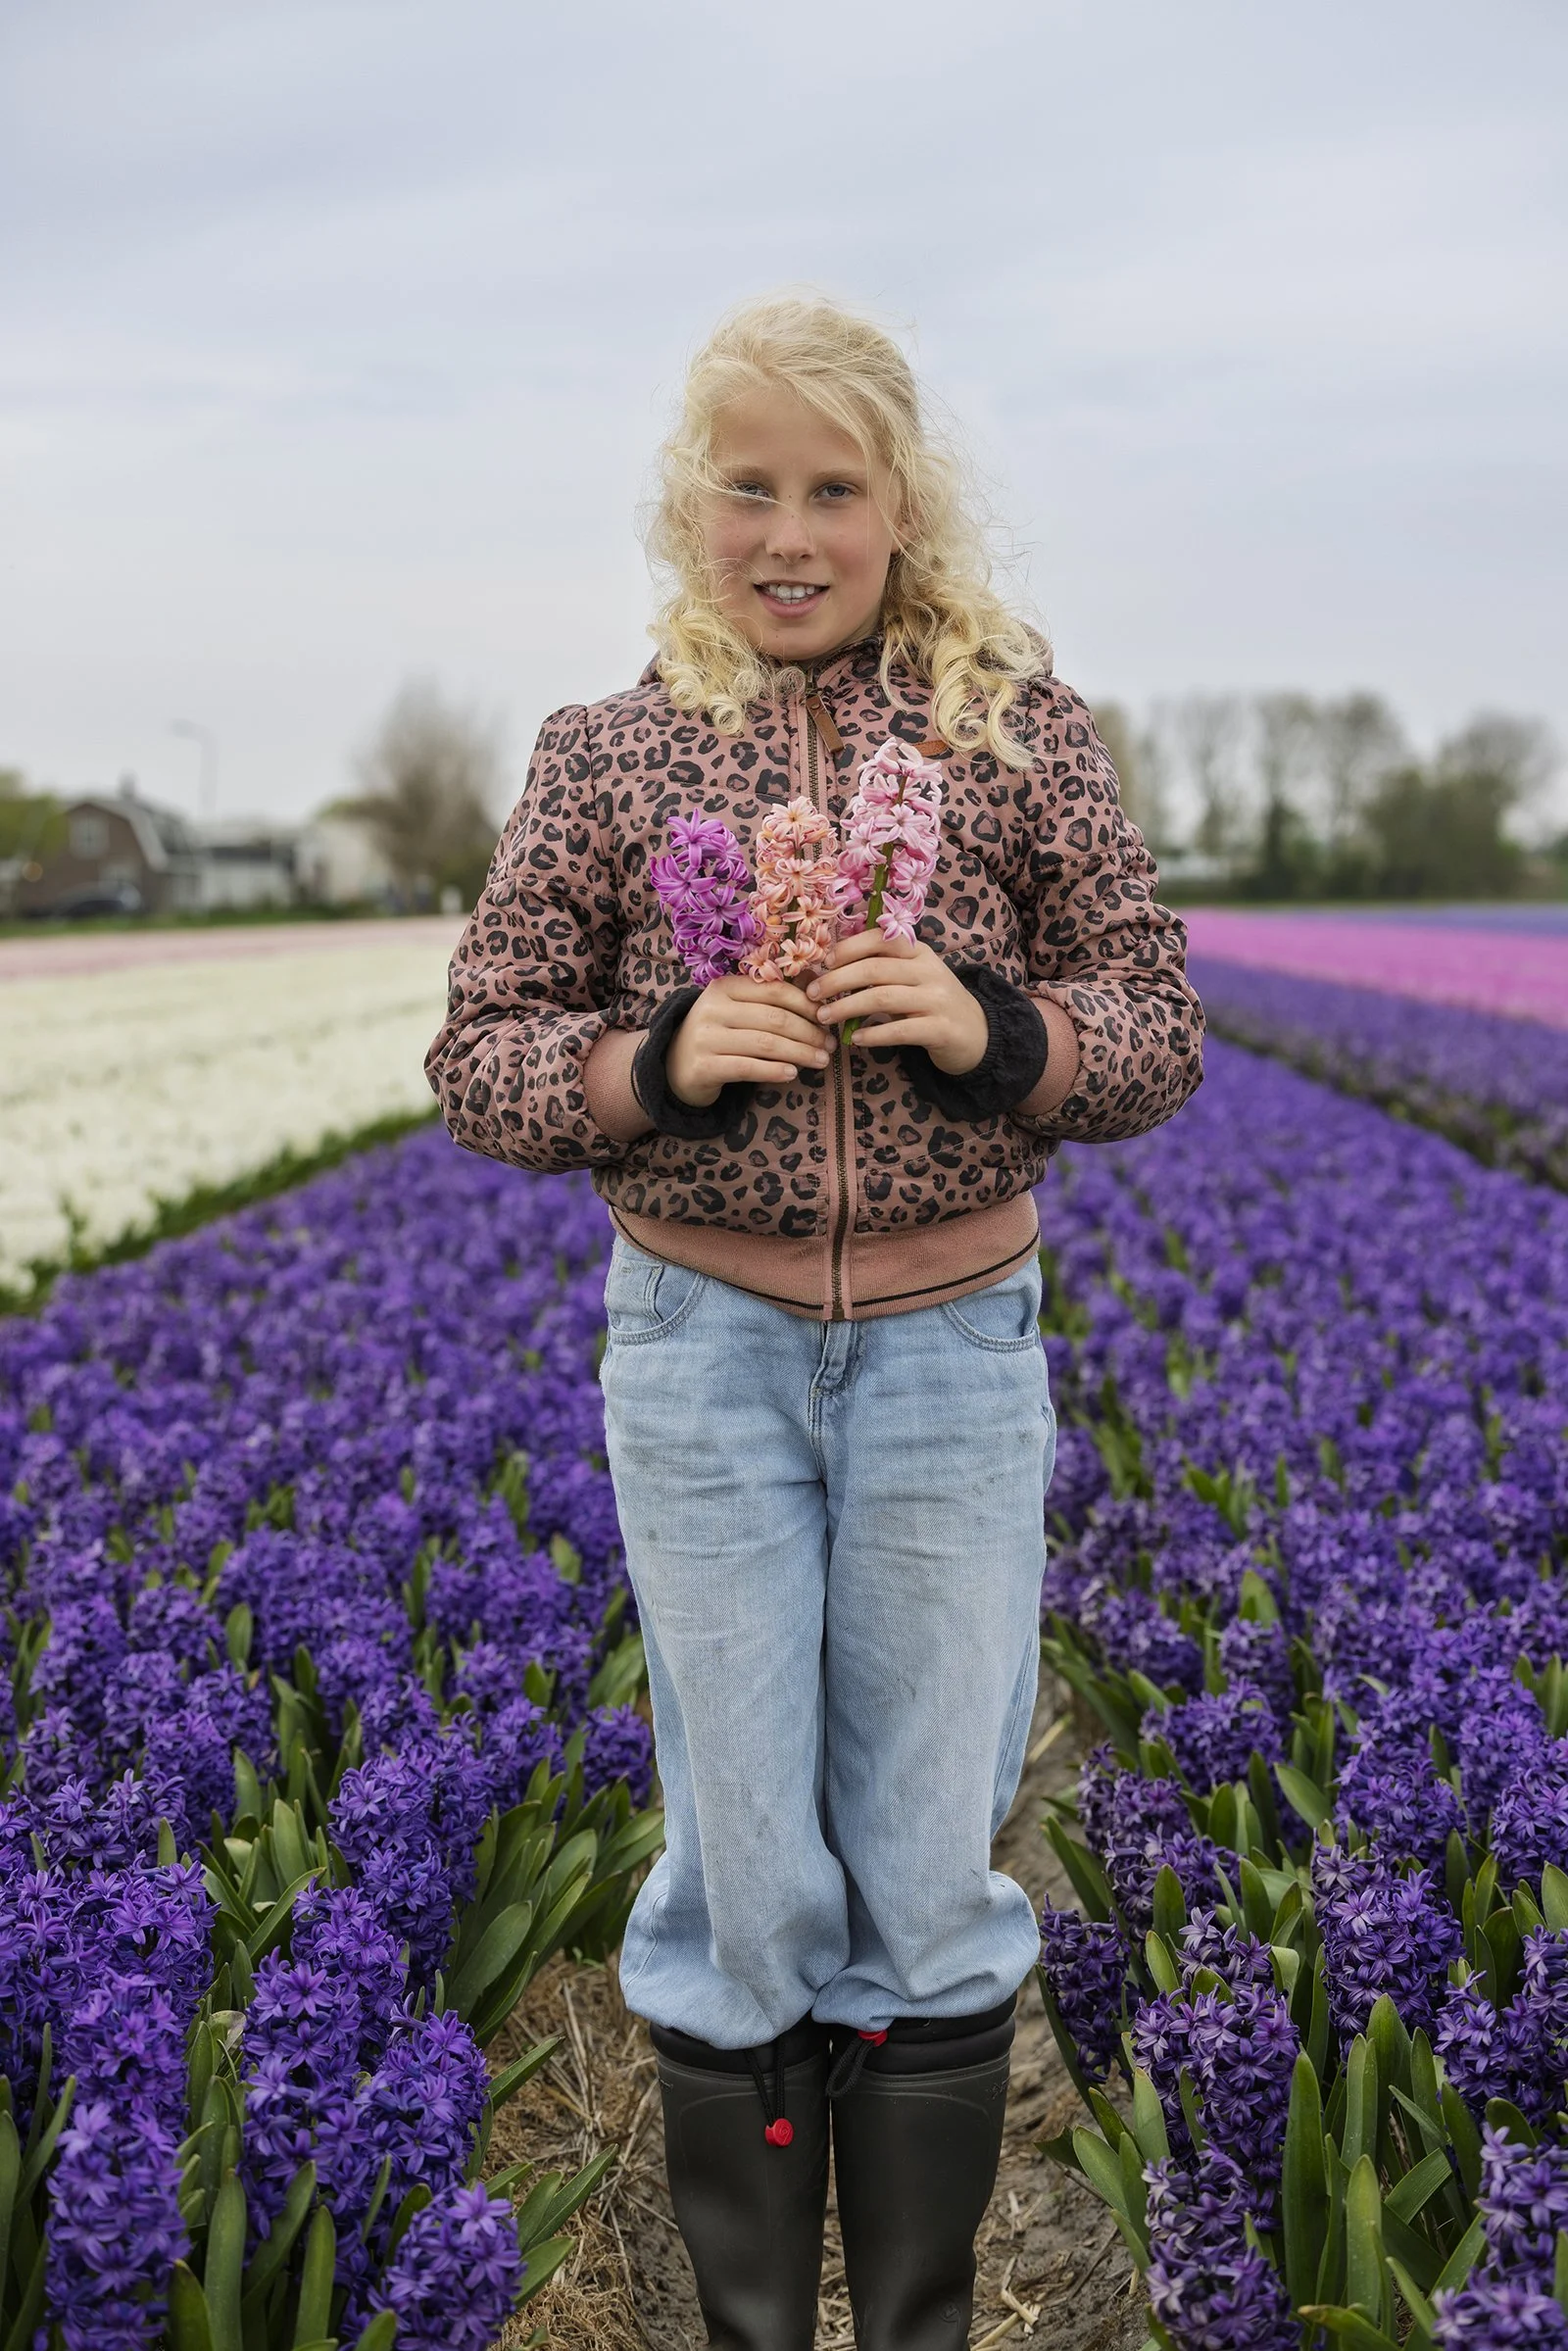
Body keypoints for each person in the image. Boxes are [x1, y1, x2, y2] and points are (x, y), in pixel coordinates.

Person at [425, 292, 1203, 2351]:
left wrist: (993, 1024)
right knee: (742, 1868)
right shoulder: (604, 754)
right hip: (699, 1344)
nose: (788, 530)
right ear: (689, 509)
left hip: (953, 1346)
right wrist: (658, 1058)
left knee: (930, 1856)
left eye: (831, 488)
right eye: (746, 486)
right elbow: (482, 1056)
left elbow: (1152, 1024)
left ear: (897, 505)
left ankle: (918, 2325)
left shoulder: (1015, 729)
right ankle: (762, 2331)